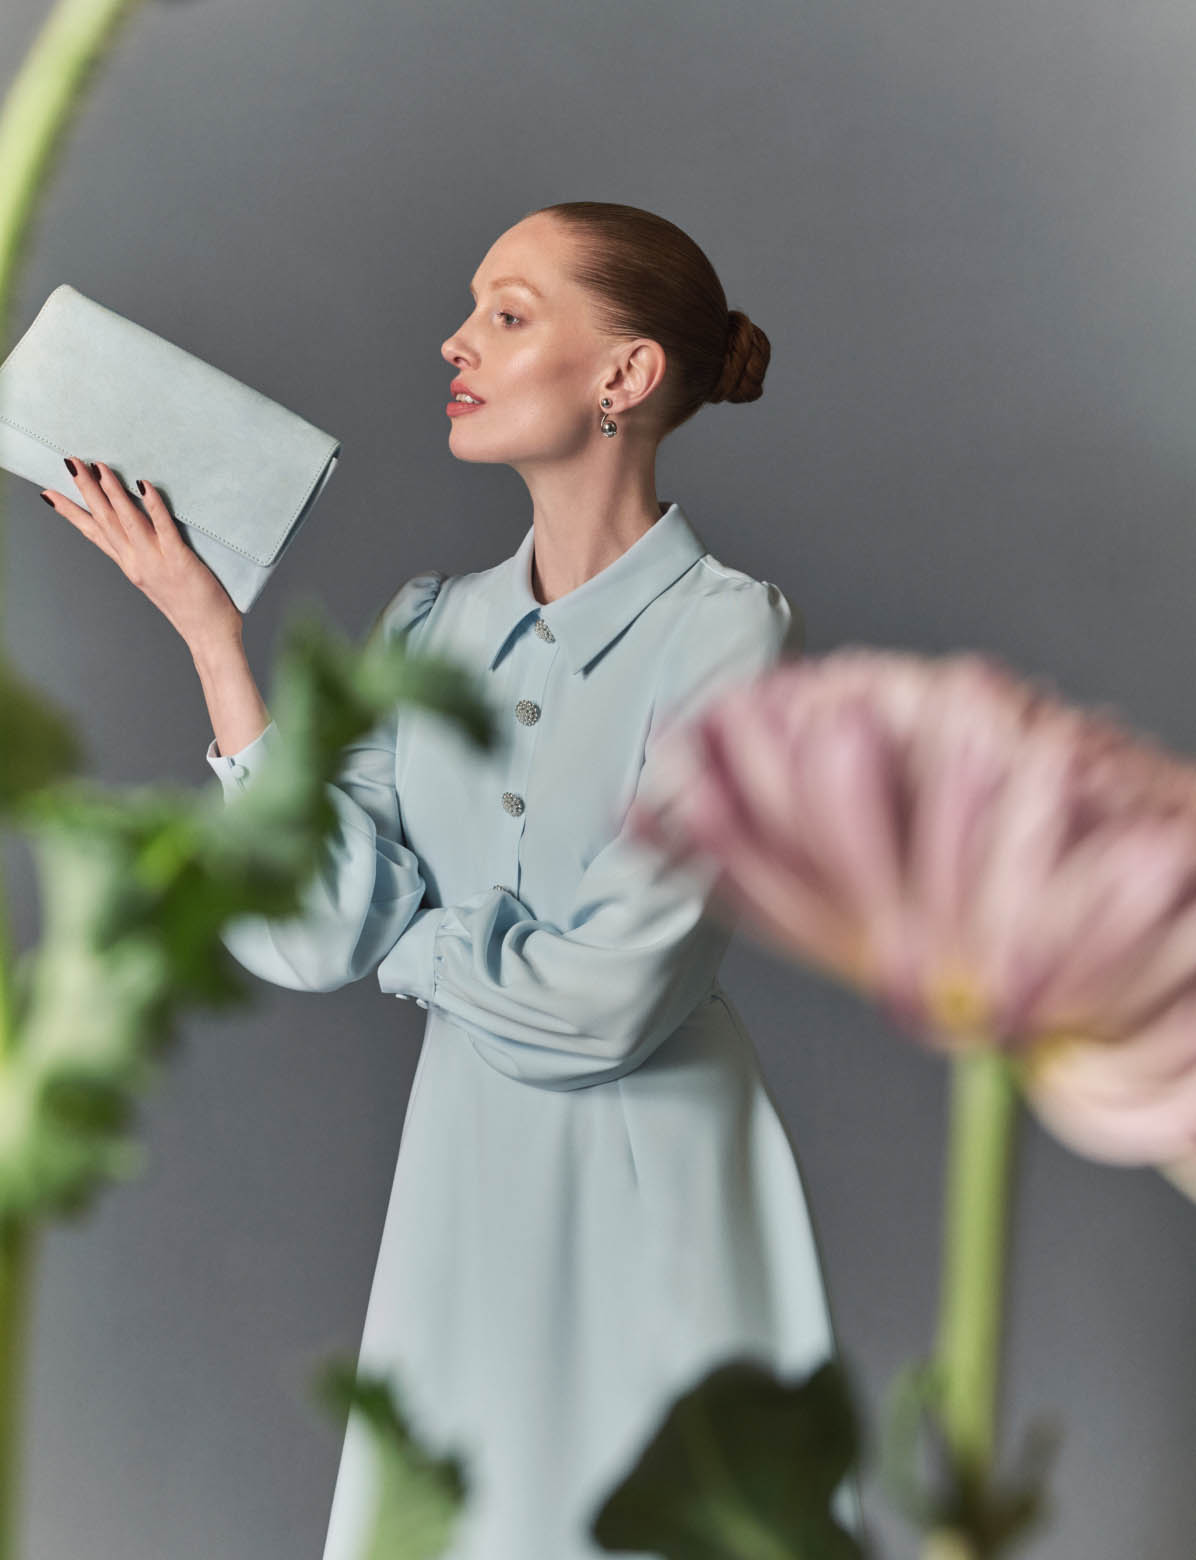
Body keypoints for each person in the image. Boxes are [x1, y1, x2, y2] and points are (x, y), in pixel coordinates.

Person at [40, 201, 865, 1559]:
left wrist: (405, 934)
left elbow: (608, 1002)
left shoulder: (728, 634)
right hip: (467, 1171)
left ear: (625, 374)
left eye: (508, 311)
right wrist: (212, 640)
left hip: (661, 1171)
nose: (455, 339)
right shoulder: (432, 625)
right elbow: (308, 933)